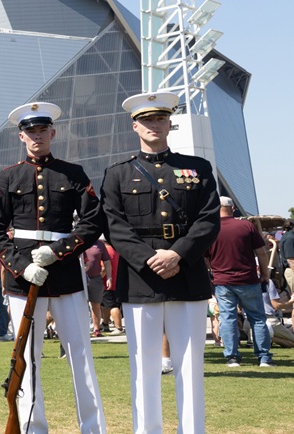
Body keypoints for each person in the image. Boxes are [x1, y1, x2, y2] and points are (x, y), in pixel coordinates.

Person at [101, 91, 220, 434]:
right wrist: (149, 258)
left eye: (160, 119)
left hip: (187, 271)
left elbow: (209, 218)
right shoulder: (117, 174)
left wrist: (178, 254)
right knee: (144, 365)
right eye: (147, 120)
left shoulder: (197, 168)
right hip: (142, 277)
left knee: (190, 366)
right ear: (134, 126)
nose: (154, 125)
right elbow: (114, 225)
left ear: (170, 123)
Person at [0, 101, 107, 433]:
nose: (36, 136)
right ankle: (32, 426)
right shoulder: (9, 177)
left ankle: (93, 426)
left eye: (42, 130)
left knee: (80, 352)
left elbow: (92, 220)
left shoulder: (74, 173)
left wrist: (58, 251)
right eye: (30, 131)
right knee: (27, 355)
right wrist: (22, 267)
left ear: (52, 133)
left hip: (66, 272)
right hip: (21, 278)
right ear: (21, 137)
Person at [207, 196, 272, 367]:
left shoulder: (211, 228)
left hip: (223, 280)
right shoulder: (246, 226)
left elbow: (206, 258)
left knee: (227, 318)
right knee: (257, 318)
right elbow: (262, 253)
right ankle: (263, 357)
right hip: (248, 279)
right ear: (233, 208)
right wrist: (265, 274)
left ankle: (232, 356)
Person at [83, 238, 113, 338]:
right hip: (80, 278)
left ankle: (96, 329)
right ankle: (82, 329)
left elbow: (107, 261)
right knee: (80, 305)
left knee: (96, 304)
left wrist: (109, 277)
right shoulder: (78, 240)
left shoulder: (100, 244)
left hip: (95, 278)